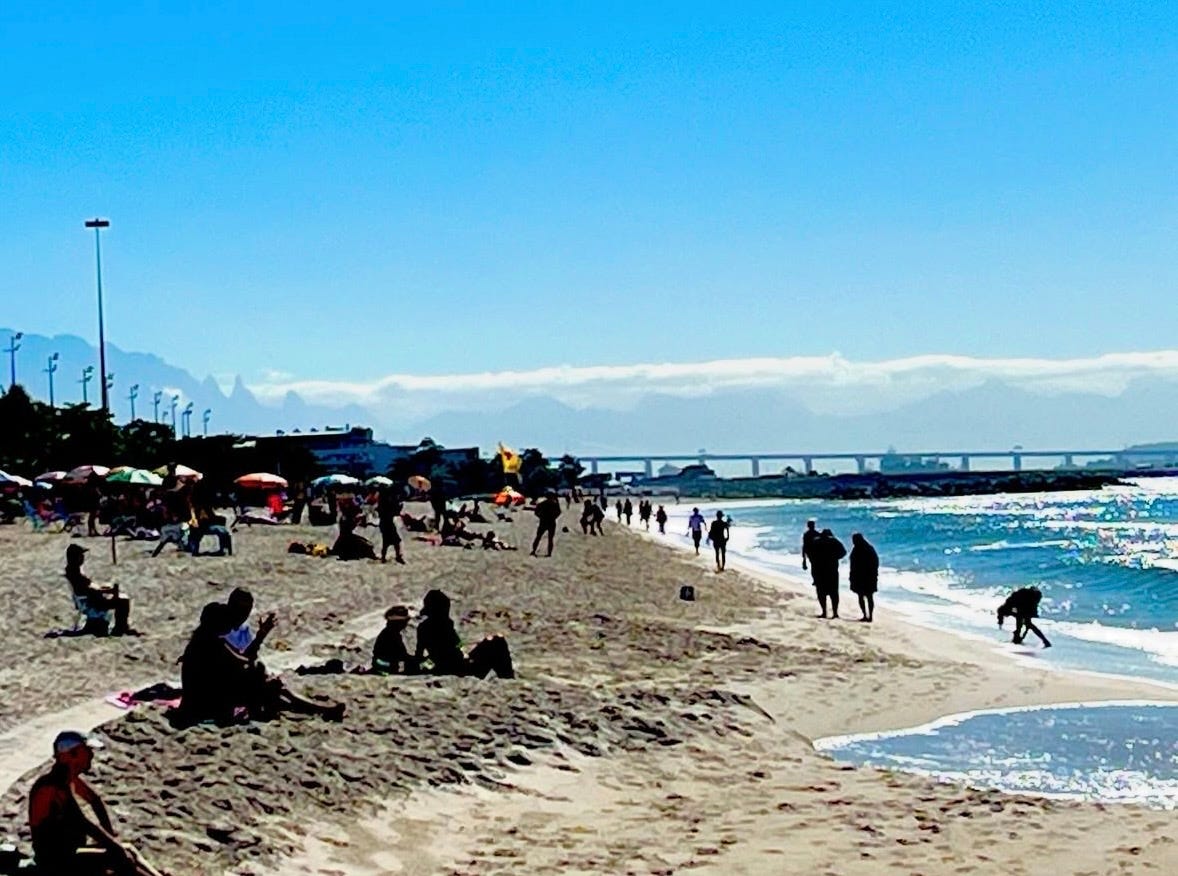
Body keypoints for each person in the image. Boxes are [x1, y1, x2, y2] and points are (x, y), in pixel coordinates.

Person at [178, 602, 345, 725]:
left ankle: (318, 710)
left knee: (269, 689)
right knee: (270, 687)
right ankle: (320, 711)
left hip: (200, 698)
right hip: (206, 702)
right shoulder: (212, 643)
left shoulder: (202, 639)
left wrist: (260, 636)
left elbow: (240, 660)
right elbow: (243, 661)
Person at [28, 731, 162, 876]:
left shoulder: (69, 780)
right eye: (86, 751)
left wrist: (110, 835)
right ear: (71, 755)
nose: (91, 755)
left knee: (128, 850)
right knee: (120, 858)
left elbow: (95, 801)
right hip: (56, 860)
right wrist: (113, 845)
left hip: (69, 852)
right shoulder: (51, 787)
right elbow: (82, 822)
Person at [414, 589, 514, 678]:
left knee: (494, 641)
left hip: (458, 664)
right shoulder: (432, 628)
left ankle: (505, 676)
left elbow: (458, 645)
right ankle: (506, 677)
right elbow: (426, 656)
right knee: (497, 643)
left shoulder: (440, 626)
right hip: (457, 668)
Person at [65, 545, 133, 636]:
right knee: (123, 601)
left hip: (93, 599)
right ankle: (120, 628)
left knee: (120, 597)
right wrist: (109, 591)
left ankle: (121, 627)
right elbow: (90, 590)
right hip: (93, 602)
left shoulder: (74, 570)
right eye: (81, 555)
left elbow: (91, 587)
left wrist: (105, 588)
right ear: (75, 557)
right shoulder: (75, 573)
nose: (83, 558)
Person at [223, 587, 275, 660]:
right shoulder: (215, 633)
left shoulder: (244, 637)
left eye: (246, 611)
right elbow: (243, 659)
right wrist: (260, 636)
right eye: (240, 610)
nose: (242, 616)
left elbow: (246, 656)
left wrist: (261, 635)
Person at [810, 528, 847, 619]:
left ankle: (824, 612)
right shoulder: (834, 541)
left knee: (821, 593)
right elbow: (843, 552)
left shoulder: (816, 542)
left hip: (819, 570)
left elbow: (810, 554)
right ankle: (835, 613)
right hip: (832, 570)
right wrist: (835, 557)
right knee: (834, 593)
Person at [371, 605, 413, 673]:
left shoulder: (392, 633)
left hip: (385, 667)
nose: (405, 624)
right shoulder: (390, 635)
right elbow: (400, 655)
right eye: (404, 622)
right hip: (385, 669)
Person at [848, 533, 879, 622]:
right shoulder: (867, 548)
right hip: (864, 576)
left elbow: (875, 562)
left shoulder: (862, 549)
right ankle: (867, 615)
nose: (853, 542)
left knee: (865, 596)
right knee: (866, 596)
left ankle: (868, 615)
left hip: (865, 576)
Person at [377, 485, 406, 564]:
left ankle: (384, 558)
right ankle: (397, 557)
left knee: (386, 541)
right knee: (396, 540)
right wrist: (399, 506)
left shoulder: (382, 501)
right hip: (388, 523)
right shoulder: (387, 501)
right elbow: (394, 512)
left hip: (384, 523)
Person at [530, 490, 561, 557]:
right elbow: (559, 512)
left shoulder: (542, 504)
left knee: (538, 537)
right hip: (551, 522)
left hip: (543, 522)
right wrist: (554, 517)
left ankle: (534, 550)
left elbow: (536, 512)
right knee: (550, 539)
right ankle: (549, 553)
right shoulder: (554, 504)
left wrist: (540, 517)